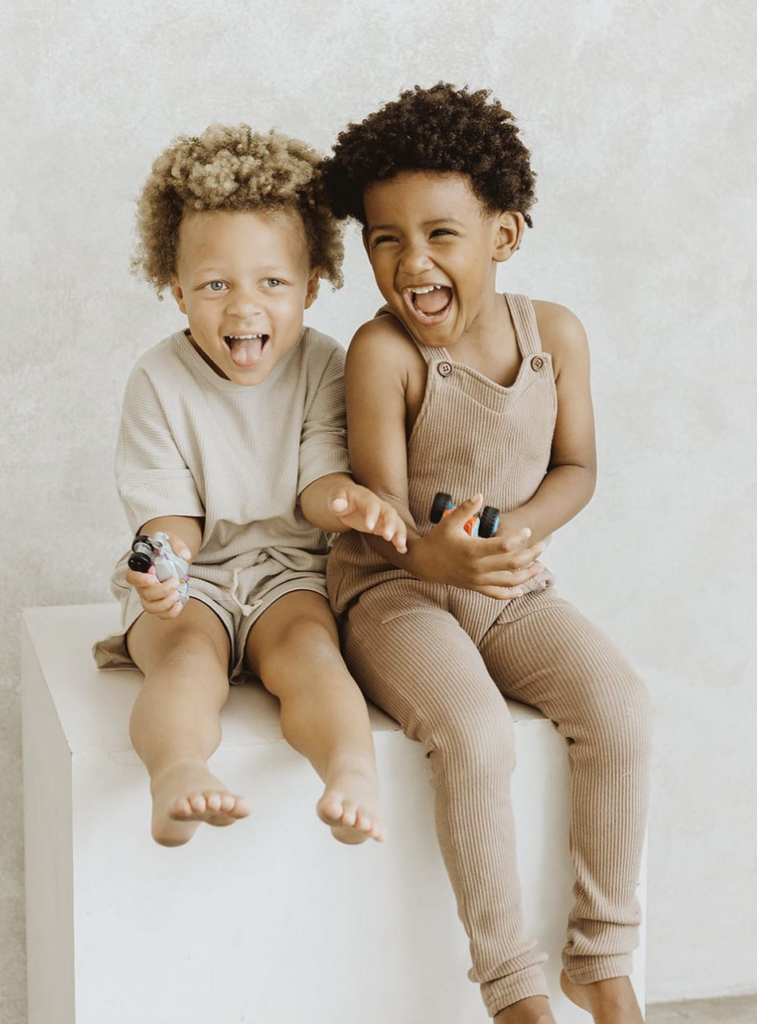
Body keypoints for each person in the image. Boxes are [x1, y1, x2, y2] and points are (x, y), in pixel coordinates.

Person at [321, 84, 653, 1024]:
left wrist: (517, 533)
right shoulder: (380, 352)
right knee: (472, 733)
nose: (411, 262)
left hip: (509, 583)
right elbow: (380, 510)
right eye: (385, 239)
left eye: (440, 234)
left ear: (503, 236)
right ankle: (512, 990)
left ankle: (599, 958)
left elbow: (577, 468)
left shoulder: (555, 335)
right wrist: (438, 560)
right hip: (396, 594)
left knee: (619, 708)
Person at [93, 124, 408, 850]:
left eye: (271, 282)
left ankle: (351, 771)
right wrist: (161, 570)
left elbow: (318, 480)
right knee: (184, 660)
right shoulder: (157, 380)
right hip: (190, 571)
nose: (243, 309)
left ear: (312, 287)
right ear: (176, 292)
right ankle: (174, 773)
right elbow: (171, 516)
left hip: (289, 572)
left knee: (310, 654)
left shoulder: (326, 366)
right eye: (214, 285)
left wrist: (350, 503)